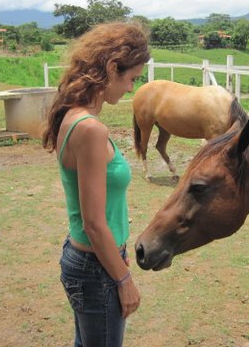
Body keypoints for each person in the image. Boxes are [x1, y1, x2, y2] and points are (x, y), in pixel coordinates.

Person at [42, 21, 150, 347]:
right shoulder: (90, 129)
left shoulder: (72, 116)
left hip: (92, 260)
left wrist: (117, 255)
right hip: (95, 269)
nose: (131, 88)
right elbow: (93, 222)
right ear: (112, 68)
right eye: (131, 79)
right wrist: (123, 278)